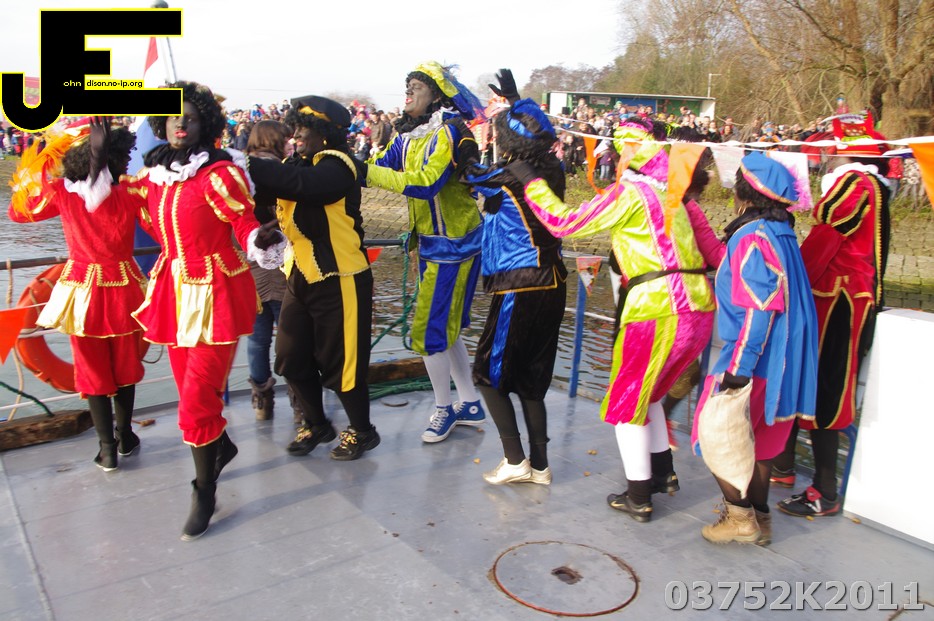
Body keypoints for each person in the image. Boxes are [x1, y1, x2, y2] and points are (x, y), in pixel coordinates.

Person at [104, 81, 285, 540]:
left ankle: (204, 490)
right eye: (172, 117)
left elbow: (242, 221)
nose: (180, 124)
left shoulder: (219, 174)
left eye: (190, 117)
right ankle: (219, 445)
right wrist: (99, 155)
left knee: (196, 399)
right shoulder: (152, 176)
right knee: (191, 390)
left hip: (216, 291)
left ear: (206, 123)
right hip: (172, 292)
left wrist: (258, 238)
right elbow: (113, 201)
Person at [522, 116, 716, 521]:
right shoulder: (674, 195)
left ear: (627, 155)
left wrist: (531, 183)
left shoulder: (630, 193)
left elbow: (564, 222)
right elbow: (712, 253)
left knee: (626, 403)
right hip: (697, 310)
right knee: (652, 395)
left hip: (656, 310)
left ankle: (638, 496)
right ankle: (662, 473)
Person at [685, 151, 818, 546]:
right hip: (788, 355)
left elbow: (758, 310)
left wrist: (738, 371)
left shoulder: (751, 237)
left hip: (757, 357)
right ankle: (761, 518)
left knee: (715, 430)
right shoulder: (783, 233)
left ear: (743, 194)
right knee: (761, 441)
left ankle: (740, 518)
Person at [8, 118, 146, 472]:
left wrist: (40, 164)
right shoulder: (130, 192)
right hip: (124, 287)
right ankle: (125, 436)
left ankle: (106, 449)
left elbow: (18, 212)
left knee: (91, 367)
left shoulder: (62, 192)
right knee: (125, 364)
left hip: (81, 291)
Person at [247, 95, 379, 461]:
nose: (297, 136)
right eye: (296, 129)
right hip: (300, 276)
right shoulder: (296, 166)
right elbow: (270, 197)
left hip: (341, 277)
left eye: (305, 129)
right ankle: (317, 423)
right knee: (290, 357)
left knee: (343, 363)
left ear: (325, 133)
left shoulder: (339, 165)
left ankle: (362, 431)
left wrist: (244, 163)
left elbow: (306, 186)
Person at [773, 114, 891, 518]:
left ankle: (824, 490)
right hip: (836, 295)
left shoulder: (857, 183)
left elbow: (828, 231)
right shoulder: (870, 185)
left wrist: (790, 275)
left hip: (840, 299)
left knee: (826, 390)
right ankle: (783, 464)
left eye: (834, 150)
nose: (827, 156)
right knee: (805, 379)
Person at [362, 61, 487, 443]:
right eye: (408, 87)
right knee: (446, 329)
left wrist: (365, 172)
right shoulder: (408, 137)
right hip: (433, 246)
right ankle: (469, 402)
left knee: (429, 332)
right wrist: (344, 166)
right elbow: (378, 166)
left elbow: (426, 183)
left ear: (435, 94)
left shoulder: (446, 132)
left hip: (456, 246)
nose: (408, 93)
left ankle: (443, 409)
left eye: (416, 87)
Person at [461, 71, 566, 485]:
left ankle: (514, 459)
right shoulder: (553, 168)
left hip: (519, 283)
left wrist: (459, 128)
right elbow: (533, 131)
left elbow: (467, 173)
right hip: (553, 281)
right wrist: (515, 102)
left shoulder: (505, 176)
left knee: (486, 375)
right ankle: (540, 466)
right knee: (532, 377)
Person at [243, 119, 299, 423]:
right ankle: (300, 401)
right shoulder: (280, 172)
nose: (290, 143)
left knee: (257, 339)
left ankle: (261, 401)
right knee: (291, 338)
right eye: (285, 139)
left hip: (248, 264)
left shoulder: (239, 172)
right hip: (280, 263)